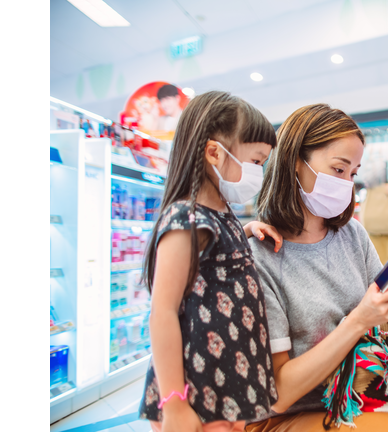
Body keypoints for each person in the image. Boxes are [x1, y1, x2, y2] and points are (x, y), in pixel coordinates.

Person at [245, 104, 388, 432]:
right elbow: (278, 396)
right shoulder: (261, 254)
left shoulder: (351, 234)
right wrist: (357, 321)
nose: (347, 184)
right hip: (290, 413)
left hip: (358, 397)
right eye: (339, 170)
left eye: (353, 173)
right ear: (295, 163)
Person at [137, 91, 284, 432]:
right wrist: (174, 404)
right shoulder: (187, 220)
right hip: (198, 397)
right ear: (215, 153)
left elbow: (214, 261)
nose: (259, 173)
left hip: (224, 389)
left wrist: (246, 230)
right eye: (256, 161)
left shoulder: (219, 213)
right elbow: (162, 312)